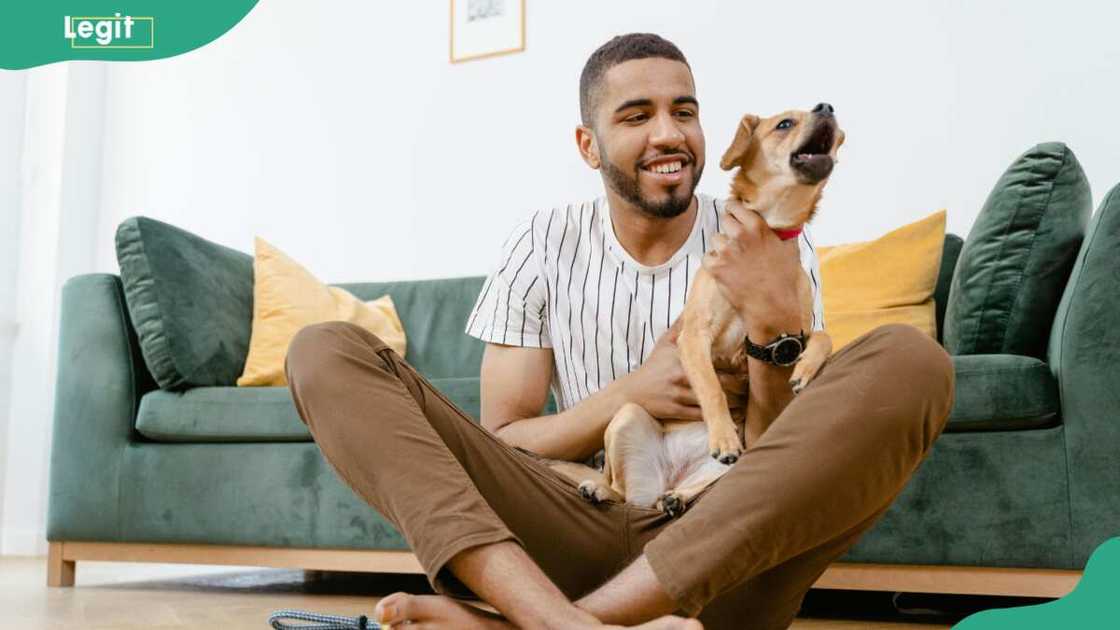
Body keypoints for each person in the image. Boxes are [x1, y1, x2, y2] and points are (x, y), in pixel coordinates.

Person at [284, 33, 954, 630]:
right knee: (323, 350)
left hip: (726, 550)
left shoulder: (768, 234)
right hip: (585, 513)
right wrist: (634, 392)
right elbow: (507, 442)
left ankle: (534, 626)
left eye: (684, 112)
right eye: (637, 116)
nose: (668, 134)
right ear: (588, 144)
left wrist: (773, 331)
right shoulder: (542, 242)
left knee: (912, 361)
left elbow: (777, 458)